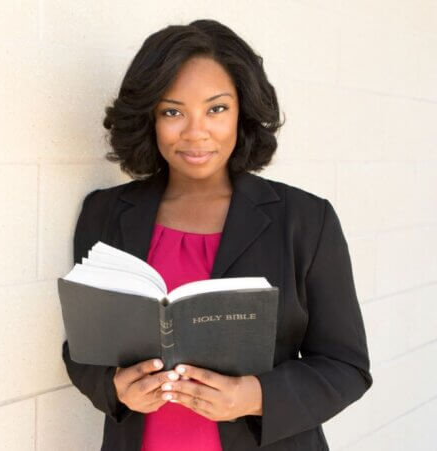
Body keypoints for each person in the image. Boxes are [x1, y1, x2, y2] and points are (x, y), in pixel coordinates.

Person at [61, 19, 372, 451]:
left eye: (216, 109)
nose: (196, 132)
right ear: (149, 116)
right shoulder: (105, 213)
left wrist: (255, 396)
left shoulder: (305, 219)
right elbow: (81, 350)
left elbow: (346, 365)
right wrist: (117, 388)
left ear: (243, 110)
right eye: (173, 112)